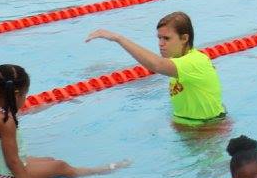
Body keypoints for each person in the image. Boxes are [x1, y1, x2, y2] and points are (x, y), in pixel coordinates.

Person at [0, 64, 127, 178]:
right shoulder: (5, 121)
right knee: (61, 166)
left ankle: (82, 171)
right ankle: (95, 171)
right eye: (25, 95)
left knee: (49, 160)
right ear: (16, 95)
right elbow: (13, 161)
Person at [85, 12, 225, 126]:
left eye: (166, 39)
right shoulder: (180, 62)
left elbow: (156, 65)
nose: (161, 44)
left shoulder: (193, 62)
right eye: (159, 38)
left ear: (184, 38)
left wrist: (118, 38)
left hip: (206, 133)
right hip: (192, 128)